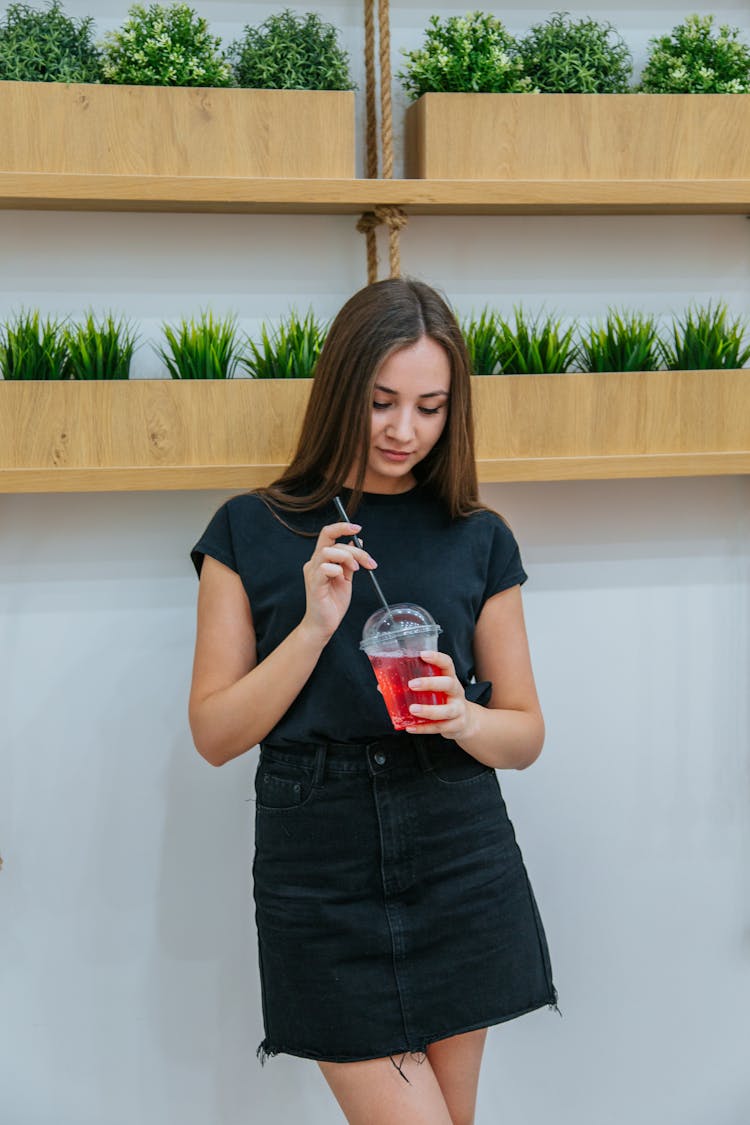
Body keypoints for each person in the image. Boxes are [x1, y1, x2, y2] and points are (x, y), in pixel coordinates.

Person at [189, 277, 557, 1125]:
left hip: (458, 849)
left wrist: (461, 715)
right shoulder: (250, 530)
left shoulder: (479, 535)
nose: (404, 430)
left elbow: (527, 732)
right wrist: (316, 626)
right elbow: (214, 732)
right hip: (321, 868)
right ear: (341, 388)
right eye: (382, 400)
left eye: (430, 407)